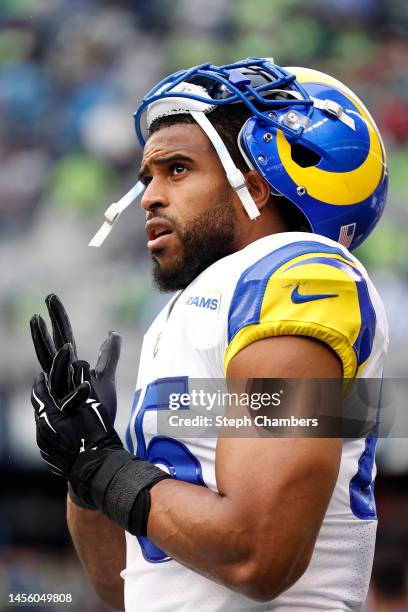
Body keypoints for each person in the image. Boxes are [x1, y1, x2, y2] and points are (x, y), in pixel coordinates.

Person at [29, 58, 389, 611]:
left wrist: (108, 467)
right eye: (147, 177)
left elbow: (257, 554)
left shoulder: (298, 274)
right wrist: (84, 467)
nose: (148, 196)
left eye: (176, 170)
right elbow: (129, 588)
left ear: (256, 187)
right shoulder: (199, 308)